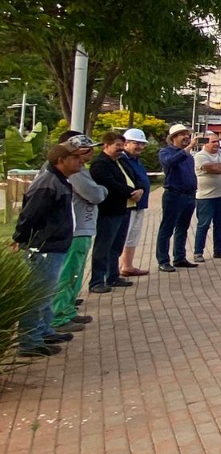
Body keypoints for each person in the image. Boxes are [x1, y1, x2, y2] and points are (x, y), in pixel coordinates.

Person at [10, 143, 84, 357]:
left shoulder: (59, 180)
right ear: (61, 160)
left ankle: (43, 331)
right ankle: (30, 341)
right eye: (75, 158)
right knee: (38, 294)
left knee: (47, 293)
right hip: (43, 247)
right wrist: (20, 239)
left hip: (55, 246)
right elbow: (29, 216)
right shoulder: (48, 182)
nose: (80, 161)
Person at [51, 132, 104, 331]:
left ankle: (68, 309)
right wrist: (102, 190)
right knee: (67, 273)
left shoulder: (80, 170)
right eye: (86, 149)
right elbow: (95, 194)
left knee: (75, 273)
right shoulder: (74, 173)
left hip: (81, 227)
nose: (91, 152)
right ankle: (59, 316)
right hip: (74, 229)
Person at [87, 131, 144, 294]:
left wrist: (140, 189)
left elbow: (135, 177)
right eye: (117, 145)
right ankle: (97, 281)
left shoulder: (120, 162)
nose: (121, 148)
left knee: (116, 246)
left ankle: (112, 276)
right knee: (103, 247)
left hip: (124, 208)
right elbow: (109, 184)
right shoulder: (100, 164)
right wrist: (130, 192)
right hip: (109, 210)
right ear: (106, 145)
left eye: (122, 145)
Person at [155, 123, 199, 273]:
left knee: (182, 228)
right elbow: (170, 162)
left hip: (189, 195)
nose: (186, 137)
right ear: (173, 137)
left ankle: (179, 257)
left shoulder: (189, 156)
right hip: (174, 195)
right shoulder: (166, 152)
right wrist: (188, 148)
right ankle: (163, 260)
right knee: (167, 229)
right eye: (182, 134)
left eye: (187, 134)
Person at [118, 128, 152, 276]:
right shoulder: (121, 160)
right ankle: (113, 269)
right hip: (128, 204)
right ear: (125, 143)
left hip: (139, 204)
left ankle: (127, 265)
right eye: (136, 143)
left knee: (133, 236)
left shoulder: (136, 160)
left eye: (142, 144)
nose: (139, 147)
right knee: (123, 237)